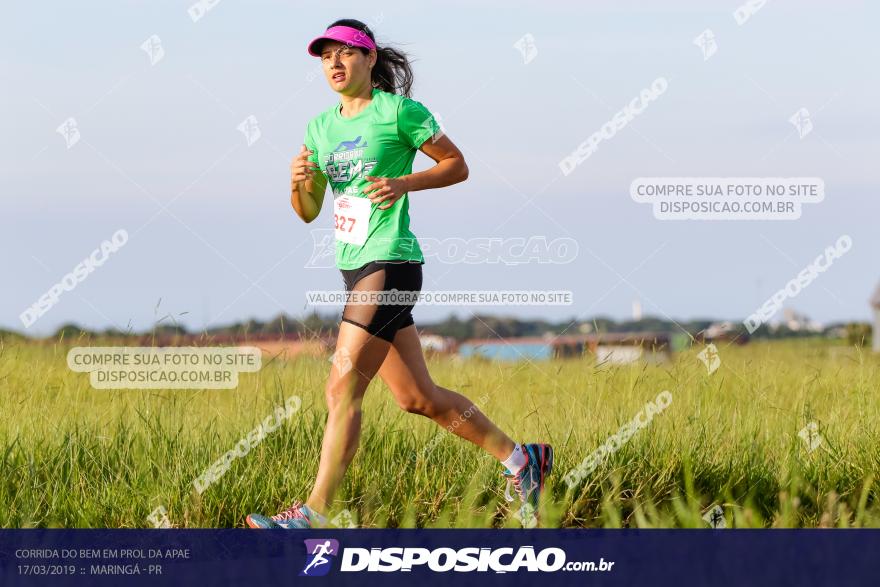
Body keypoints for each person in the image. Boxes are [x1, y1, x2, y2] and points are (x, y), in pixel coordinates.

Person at [245, 18, 552, 529]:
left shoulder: (399, 113)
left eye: (345, 54)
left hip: (390, 262)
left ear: (370, 59)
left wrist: (404, 182)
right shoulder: (320, 127)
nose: (335, 64)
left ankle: (315, 514)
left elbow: (457, 165)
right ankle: (523, 462)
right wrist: (298, 184)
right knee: (417, 398)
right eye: (326, 58)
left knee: (341, 388)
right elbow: (307, 209)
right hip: (353, 265)